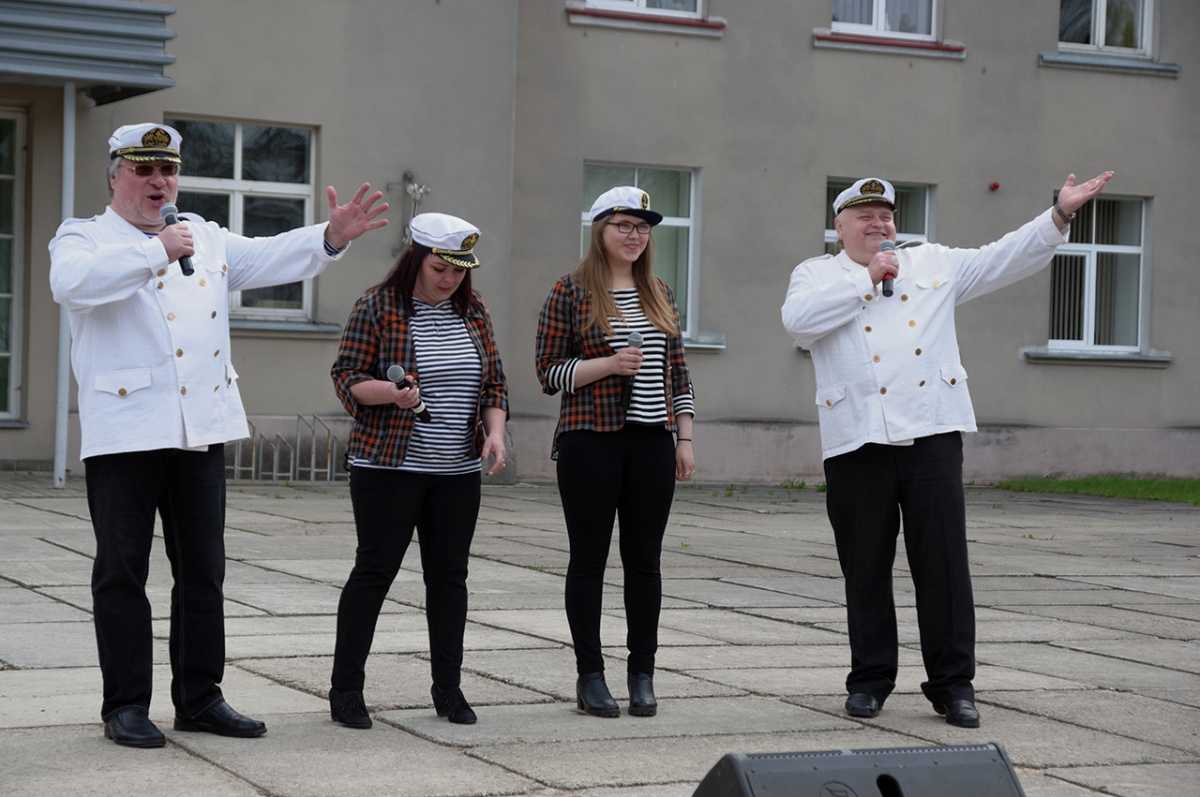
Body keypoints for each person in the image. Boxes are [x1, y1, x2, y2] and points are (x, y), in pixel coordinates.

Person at [49, 123, 388, 748]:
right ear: (116, 176)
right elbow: (71, 285)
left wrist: (330, 237)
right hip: (126, 433)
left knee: (203, 572)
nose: (159, 181)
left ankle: (200, 697)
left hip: (200, 428)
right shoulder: (84, 237)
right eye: (145, 169)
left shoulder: (202, 235)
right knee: (122, 573)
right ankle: (125, 705)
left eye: (168, 170)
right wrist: (157, 251)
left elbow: (267, 254)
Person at [781, 172, 1114, 728]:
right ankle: (869, 681)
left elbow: (1004, 258)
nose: (878, 225)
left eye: (886, 216)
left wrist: (1059, 213)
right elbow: (798, 325)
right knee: (865, 567)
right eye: (865, 217)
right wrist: (867, 279)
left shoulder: (932, 262)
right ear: (840, 227)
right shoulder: (816, 275)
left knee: (944, 565)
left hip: (932, 431)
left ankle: (954, 685)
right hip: (858, 438)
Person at [328, 212, 509, 729]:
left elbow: (494, 383)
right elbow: (346, 377)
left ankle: (448, 690)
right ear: (415, 260)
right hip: (389, 465)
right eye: (439, 268)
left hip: (457, 469)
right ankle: (346, 691)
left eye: (459, 270)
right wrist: (392, 393)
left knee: (449, 578)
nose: (449, 279)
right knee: (375, 571)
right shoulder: (378, 305)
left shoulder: (474, 310)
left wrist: (494, 433)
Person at [536, 186, 695, 718]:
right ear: (599, 229)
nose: (634, 235)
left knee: (645, 562)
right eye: (623, 225)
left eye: (642, 227)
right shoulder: (571, 290)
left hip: (653, 442)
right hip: (591, 441)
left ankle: (642, 674)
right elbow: (547, 372)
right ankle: (590, 677)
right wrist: (606, 364)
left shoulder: (659, 290)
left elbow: (678, 372)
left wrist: (684, 437)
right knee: (588, 560)